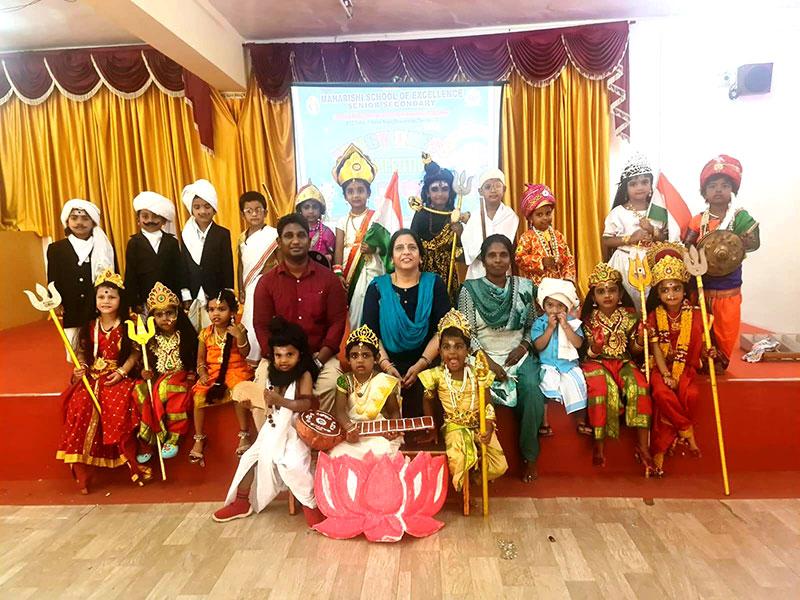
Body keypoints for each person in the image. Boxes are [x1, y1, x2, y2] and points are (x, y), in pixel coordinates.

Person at [211, 317, 324, 527]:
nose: (283, 360)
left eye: (289, 355)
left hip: (294, 433)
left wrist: (280, 400)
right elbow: (269, 405)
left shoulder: (304, 375)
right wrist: (251, 404)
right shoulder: (272, 373)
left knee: (292, 465)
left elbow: (306, 405)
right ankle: (242, 502)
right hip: (271, 431)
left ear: (300, 355)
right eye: (278, 355)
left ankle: (311, 506)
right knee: (248, 459)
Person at [458, 234, 545, 483]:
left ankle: (530, 457)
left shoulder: (526, 287)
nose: (498, 260)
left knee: (531, 389)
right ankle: (480, 460)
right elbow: (467, 332)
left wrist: (525, 345)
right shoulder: (469, 290)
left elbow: (531, 325)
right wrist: (488, 362)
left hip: (517, 353)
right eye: (492, 255)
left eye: (503, 254)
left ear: (510, 258)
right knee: (475, 393)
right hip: (481, 354)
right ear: (483, 260)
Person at [56, 269, 151, 494]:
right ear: (95, 300)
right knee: (79, 409)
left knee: (117, 410)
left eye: (111, 296)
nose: (106, 301)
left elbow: (135, 353)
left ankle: (131, 462)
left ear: (121, 299)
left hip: (117, 376)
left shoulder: (130, 323)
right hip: (92, 376)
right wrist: (81, 367)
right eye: (101, 296)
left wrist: (122, 372)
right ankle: (83, 475)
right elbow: (81, 351)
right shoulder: (90, 324)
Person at [253, 214, 347, 412]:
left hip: (318, 354)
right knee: (263, 385)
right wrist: (277, 357)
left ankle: (318, 439)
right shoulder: (266, 283)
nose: (295, 241)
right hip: (280, 356)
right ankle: (272, 442)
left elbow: (337, 323)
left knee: (330, 384)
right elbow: (261, 325)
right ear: (279, 242)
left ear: (309, 239)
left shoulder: (329, 280)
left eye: (301, 235)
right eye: (288, 236)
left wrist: (317, 361)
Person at [362, 229, 451, 419]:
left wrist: (421, 365)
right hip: (385, 361)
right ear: (392, 258)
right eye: (399, 248)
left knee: (425, 406)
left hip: (428, 362)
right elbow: (370, 334)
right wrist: (386, 365)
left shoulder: (435, 283)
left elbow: (443, 330)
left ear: (420, 256)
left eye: (412, 247)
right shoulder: (377, 287)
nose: (406, 252)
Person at [419, 309, 508, 491]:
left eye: (458, 346)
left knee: (499, 465)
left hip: (480, 425)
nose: (452, 353)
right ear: (439, 351)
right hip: (454, 427)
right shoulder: (436, 376)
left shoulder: (478, 373)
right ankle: (466, 488)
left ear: (467, 350)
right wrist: (432, 429)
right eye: (446, 347)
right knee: (460, 460)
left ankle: (476, 477)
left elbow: (488, 401)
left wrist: (489, 425)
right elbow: (427, 400)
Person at [684, 154, 759, 368]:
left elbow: (753, 241)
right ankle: (702, 361)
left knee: (726, 326)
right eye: (713, 186)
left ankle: (721, 361)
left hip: (729, 285)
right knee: (701, 326)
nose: (718, 190)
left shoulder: (739, 217)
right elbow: (687, 244)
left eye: (724, 185)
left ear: (732, 190)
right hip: (702, 283)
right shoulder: (698, 220)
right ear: (704, 192)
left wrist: (743, 240)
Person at [645, 243, 714, 476]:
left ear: (684, 290)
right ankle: (686, 430)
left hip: (685, 368)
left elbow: (701, 346)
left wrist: (708, 352)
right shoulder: (654, 316)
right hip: (661, 367)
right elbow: (655, 349)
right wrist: (665, 375)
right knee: (662, 393)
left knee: (690, 394)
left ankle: (663, 448)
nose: (671, 294)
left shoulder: (695, 315)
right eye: (665, 290)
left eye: (676, 289)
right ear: (658, 293)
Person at [580, 262, 653, 475]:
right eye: (601, 291)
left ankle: (643, 446)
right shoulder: (587, 320)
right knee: (603, 390)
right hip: (596, 363)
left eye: (612, 290)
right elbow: (586, 354)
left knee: (638, 387)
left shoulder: (631, 317)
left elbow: (635, 350)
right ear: (593, 297)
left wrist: (640, 338)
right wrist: (596, 346)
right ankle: (599, 444)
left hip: (624, 362)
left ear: (620, 292)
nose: (607, 295)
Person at [133, 282, 197, 462]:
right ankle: (148, 441)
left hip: (180, 377)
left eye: (169, 313)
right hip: (157, 378)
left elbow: (193, 359)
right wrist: (143, 373)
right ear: (152, 318)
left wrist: (192, 373)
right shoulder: (149, 339)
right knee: (139, 391)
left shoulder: (186, 336)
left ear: (178, 314)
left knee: (171, 389)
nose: (165, 319)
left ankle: (173, 438)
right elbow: (144, 364)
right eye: (159, 315)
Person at [190, 289, 254, 465]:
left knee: (239, 391)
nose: (215, 314)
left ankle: (244, 435)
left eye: (221, 309)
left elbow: (245, 352)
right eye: (211, 310)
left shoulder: (238, 329)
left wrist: (240, 337)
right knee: (198, 396)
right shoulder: (205, 333)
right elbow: (200, 360)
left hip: (236, 369)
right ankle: (199, 438)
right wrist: (202, 374)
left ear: (232, 312)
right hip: (213, 373)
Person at [47, 199, 116, 354]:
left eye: (85, 218)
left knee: (100, 347)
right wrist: (55, 301)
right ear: (67, 221)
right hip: (71, 306)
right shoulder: (56, 249)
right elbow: (52, 278)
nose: (79, 223)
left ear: (93, 222)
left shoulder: (104, 248)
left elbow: (113, 278)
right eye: (74, 218)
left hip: (97, 305)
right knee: (75, 351)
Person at [602, 153, 666, 312]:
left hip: (652, 262)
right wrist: (629, 238)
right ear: (626, 188)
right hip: (624, 262)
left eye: (645, 182)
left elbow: (666, 239)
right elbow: (606, 240)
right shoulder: (618, 212)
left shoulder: (658, 210)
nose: (639, 187)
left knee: (652, 303)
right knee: (626, 303)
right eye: (633, 184)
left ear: (651, 185)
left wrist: (652, 230)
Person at [330, 324, 403, 459]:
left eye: (365, 355)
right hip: (352, 431)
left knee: (382, 453)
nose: (360, 360)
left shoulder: (385, 381)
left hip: (378, 432)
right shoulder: (343, 380)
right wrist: (349, 427)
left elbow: (394, 412)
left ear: (376, 358)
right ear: (348, 359)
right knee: (337, 455)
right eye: (354, 355)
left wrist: (393, 428)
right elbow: (339, 412)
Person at [332, 144, 385, 327]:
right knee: (352, 312)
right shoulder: (341, 220)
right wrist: (338, 273)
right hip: (349, 268)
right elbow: (338, 248)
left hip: (371, 265)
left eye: (360, 190)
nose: (356, 195)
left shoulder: (377, 217)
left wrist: (374, 248)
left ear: (368, 193)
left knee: (370, 305)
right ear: (345, 196)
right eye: (351, 191)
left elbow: (386, 245)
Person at [531, 277, 589, 438]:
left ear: (566, 307)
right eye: (550, 305)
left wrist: (565, 326)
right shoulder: (540, 323)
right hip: (548, 364)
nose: (555, 310)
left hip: (568, 365)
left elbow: (578, 344)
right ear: (543, 306)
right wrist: (550, 328)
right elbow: (538, 346)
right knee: (544, 384)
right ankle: (545, 422)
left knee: (579, 383)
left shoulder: (573, 322)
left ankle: (581, 421)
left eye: (560, 305)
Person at [410, 153, 469, 303]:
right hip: (424, 272)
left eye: (444, 189)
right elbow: (412, 242)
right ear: (428, 193)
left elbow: (463, 252)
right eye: (435, 189)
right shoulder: (421, 214)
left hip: (448, 271)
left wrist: (461, 233)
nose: (440, 194)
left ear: (450, 193)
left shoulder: (455, 215)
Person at [180, 178, 234, 331]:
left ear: (214, 208)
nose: (202, 211)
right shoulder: (186, 234)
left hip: (215, 292)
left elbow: (226, 264)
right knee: (193, 333)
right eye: (197, 207)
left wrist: (227, 292)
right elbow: (183, 265)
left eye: (207, 206)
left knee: (215, 331)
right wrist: (185, 294)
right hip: (193, 292)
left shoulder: (222, 234)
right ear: (191, 210)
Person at [124, 191, 186, 314]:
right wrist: (133, 301)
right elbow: (131, 274)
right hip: (145, 300)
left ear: (163, 220)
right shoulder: (134, 243)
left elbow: (179, 271)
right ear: (138, 219)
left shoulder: (171, 242)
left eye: (155, 216)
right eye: (145, 216)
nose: (150, 220)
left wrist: (182, 296)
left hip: (171, 298)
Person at [237, 191, 279, 366]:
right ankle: (252, 363)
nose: (254, 214)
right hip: (249, 288)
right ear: (243, 214)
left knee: (266, 322)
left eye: (258, 210)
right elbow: (240, 265)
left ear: (266, 212)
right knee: (250, 323)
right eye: (249, 211)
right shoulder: (242, 238)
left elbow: (282, 262)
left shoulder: (273, 235)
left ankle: (268, 359)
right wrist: (240, 288)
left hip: (267, 287)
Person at [460, 169, 519, 280]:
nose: (493, 190)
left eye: (497, 186)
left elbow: (506, 245)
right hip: (478, 272)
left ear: (504, 189)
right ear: (480, 191)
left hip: (501, 270)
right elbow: (470, 247)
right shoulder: (474, 217)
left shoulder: (510, 216)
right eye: (487, 187)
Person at [515, 184, 576, 285]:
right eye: (539, 215)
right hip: (537, 286)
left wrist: (568, 279)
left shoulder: (558, 236)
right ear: (530, 218)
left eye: (548, 213)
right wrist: (541, 262)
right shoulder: (527, 237)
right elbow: (519, 258)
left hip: (560, 285)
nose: (545, 218)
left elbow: (568, 259)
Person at [295, 181, 335, 264]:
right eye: (306, 207)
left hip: (322, 272)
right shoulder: (295, 231)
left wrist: (328, 257)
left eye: (315, 207)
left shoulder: (327, 232)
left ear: (321, 210)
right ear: (300, 210)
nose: (311, 211)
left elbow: (334, 256)